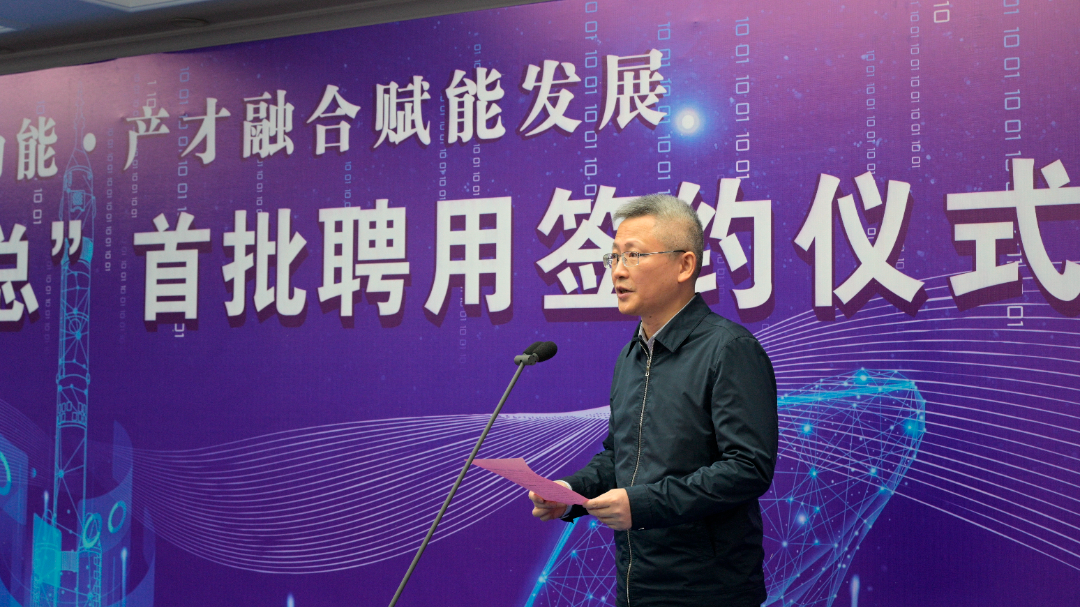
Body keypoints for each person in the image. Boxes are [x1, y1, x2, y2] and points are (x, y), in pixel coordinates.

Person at [529, 193, 778, 607]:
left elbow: (748, 468)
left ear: (684, 265)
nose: (618, 271)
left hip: (708, 593)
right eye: (613, 257)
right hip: (635, 586)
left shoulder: (729, 349)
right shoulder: (631, 356)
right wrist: (569, 492)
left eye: (634, 255)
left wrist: (641, 504)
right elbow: (620, 457)